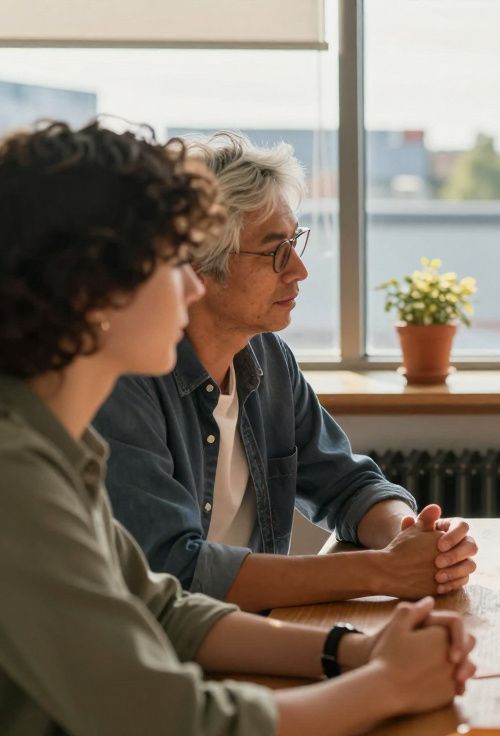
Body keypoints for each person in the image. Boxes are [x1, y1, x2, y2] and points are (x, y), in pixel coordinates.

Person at [0, 119, 476, 735]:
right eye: (172, 258)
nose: (192, 280)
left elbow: (165, 610)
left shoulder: (59, 445)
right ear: (94, 289)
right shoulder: (17, 476)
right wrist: (385, 684)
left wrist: (357, 653)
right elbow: (171, 721)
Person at [91, 131, 476, 612]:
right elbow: (172, 570)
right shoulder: (126, 384)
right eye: (275, 250)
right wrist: (384, 570)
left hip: (249, 637)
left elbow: (346, 485)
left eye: (295, 242)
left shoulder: (267, 357)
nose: (298, 269)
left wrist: (415, 538)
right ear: (200, 267)